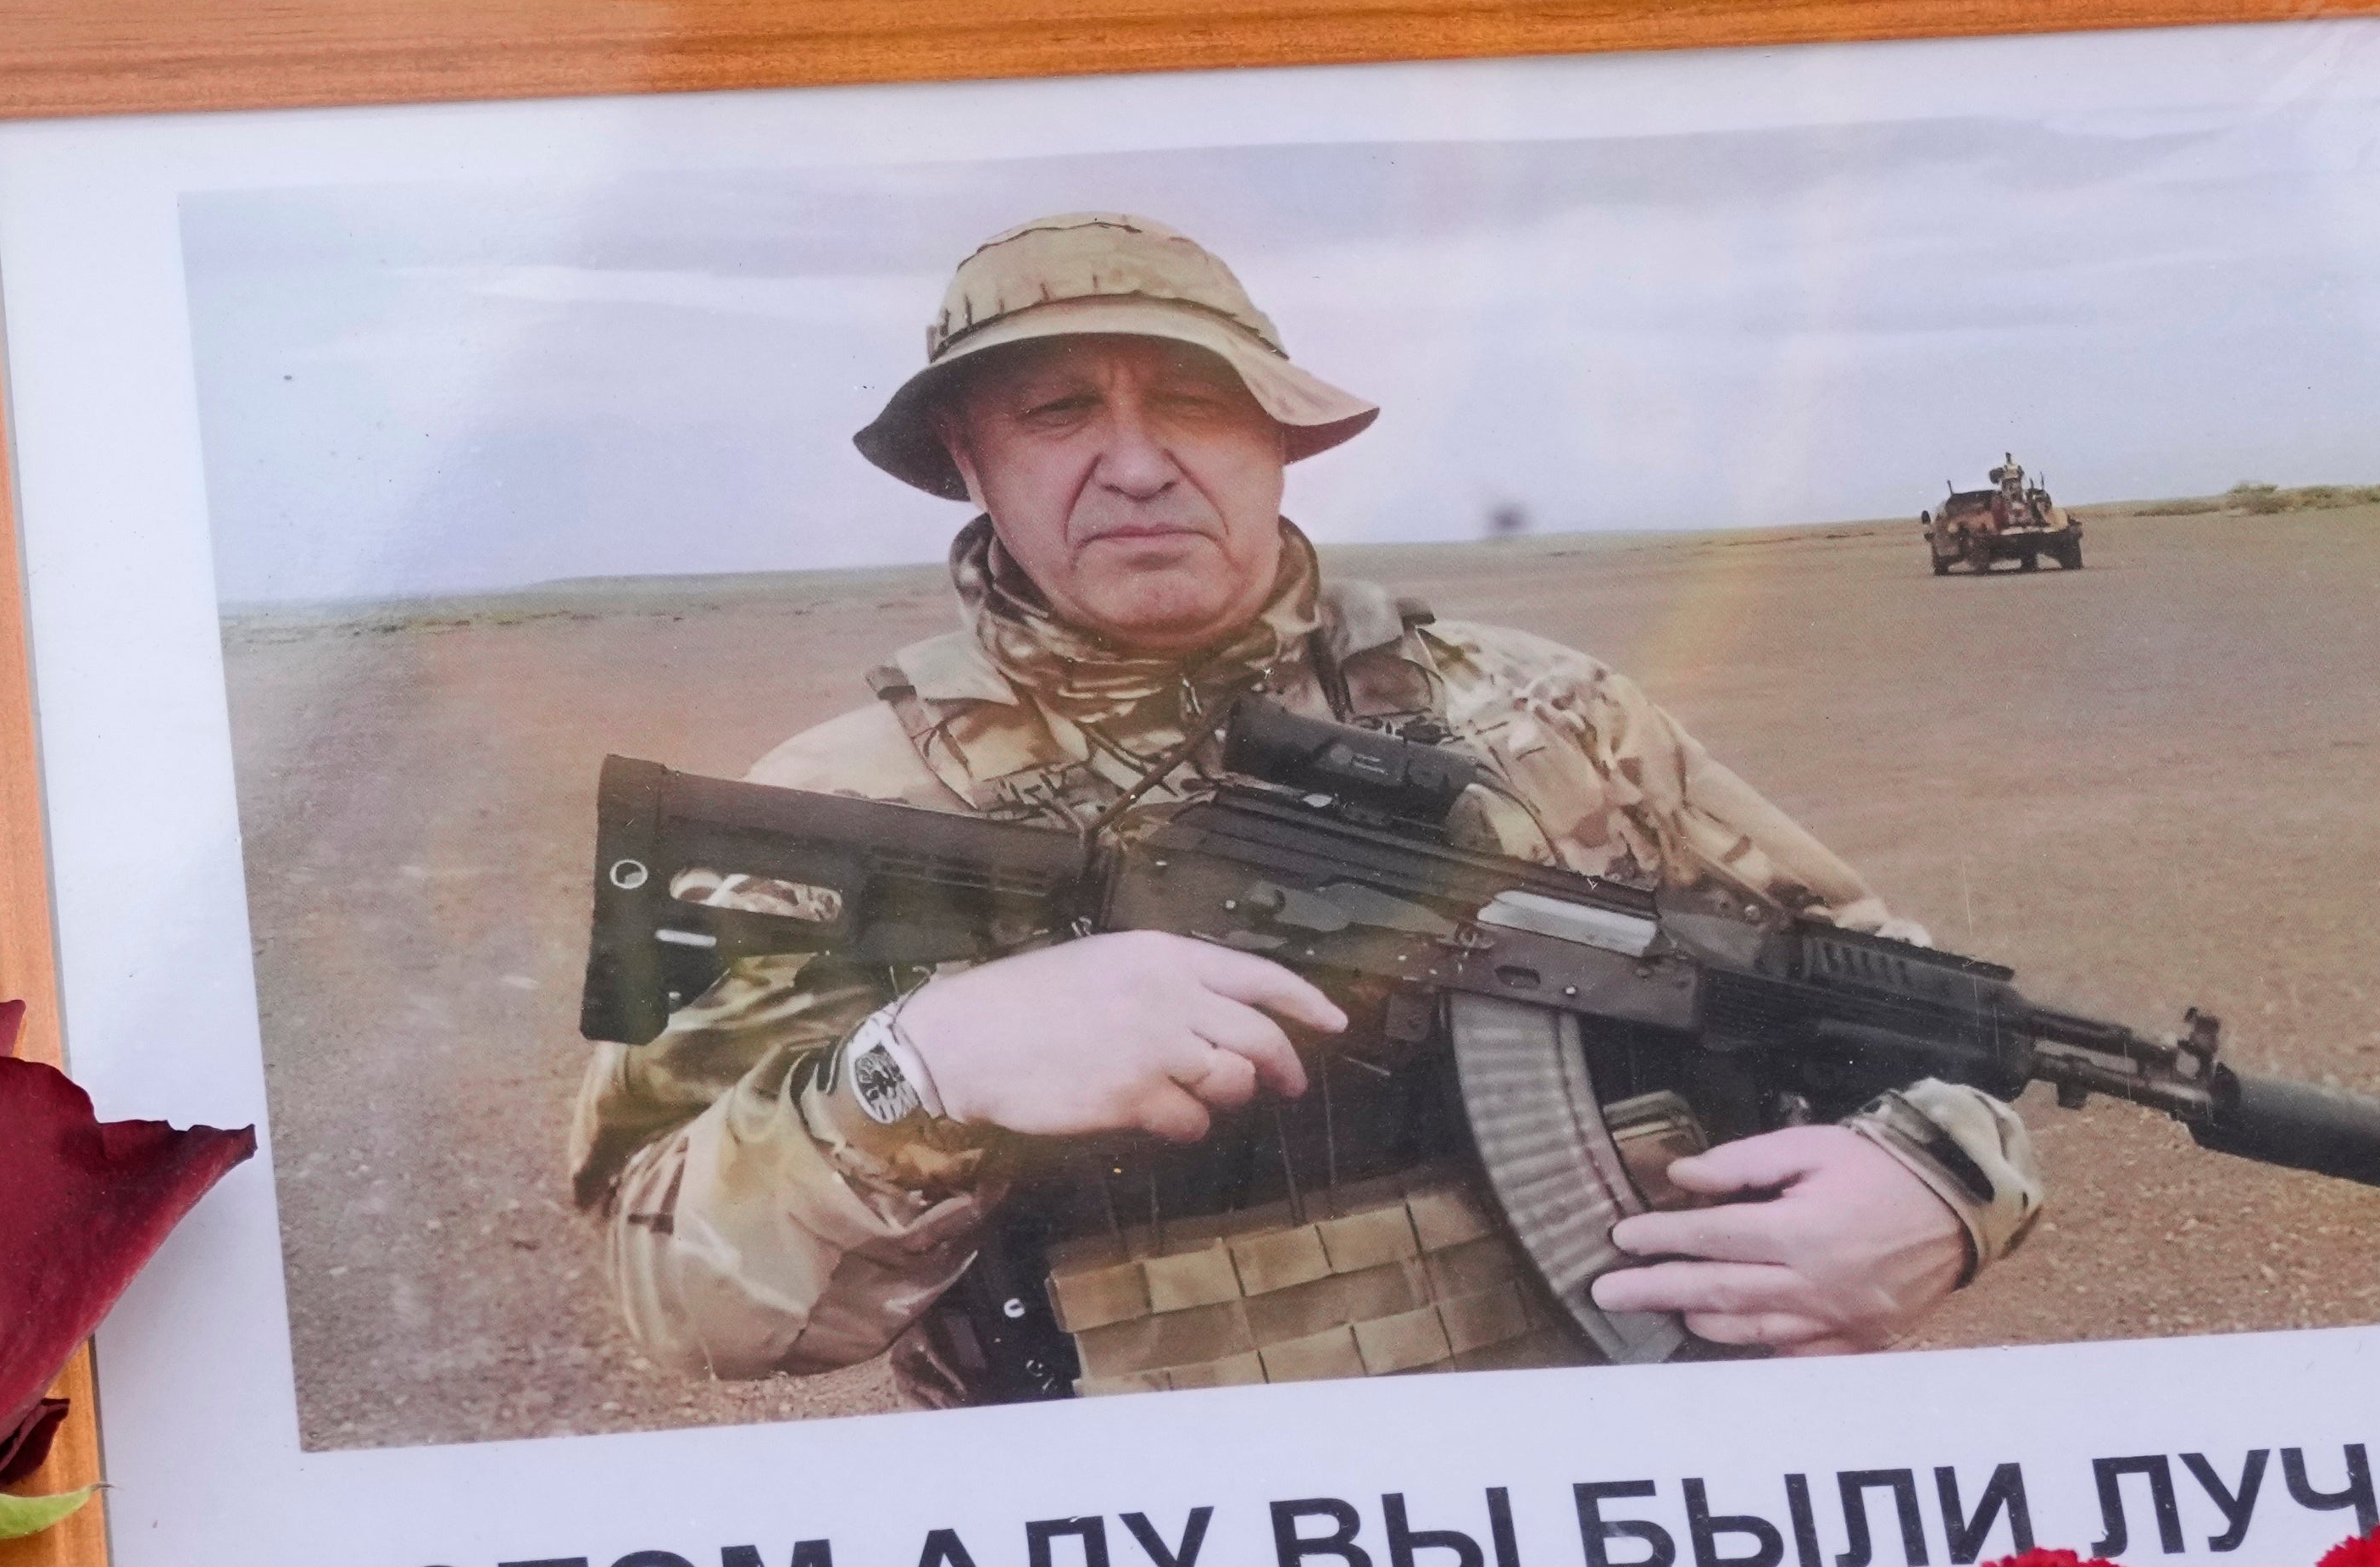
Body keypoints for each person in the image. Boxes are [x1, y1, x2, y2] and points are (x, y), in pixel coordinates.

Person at [565, 214, 2038, 1402]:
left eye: (1193, 403)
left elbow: (1892, 998)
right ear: (970, 459)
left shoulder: (1553, 715)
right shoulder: (843, 804)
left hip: (1629, 1497)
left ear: (1278, 434)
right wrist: (922, 1067)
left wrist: (1940, 1187)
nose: (1135, 463)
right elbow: (682, 1301)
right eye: (1057, 411)